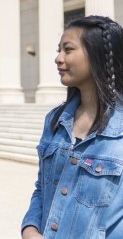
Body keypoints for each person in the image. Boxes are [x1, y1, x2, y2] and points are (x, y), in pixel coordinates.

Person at [22, 15, 123, 238]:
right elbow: (42, 187)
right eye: (59, 50)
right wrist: (30, 228)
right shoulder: (54, 121)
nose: (58, 58)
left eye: (68, 50)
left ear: (97, 55)